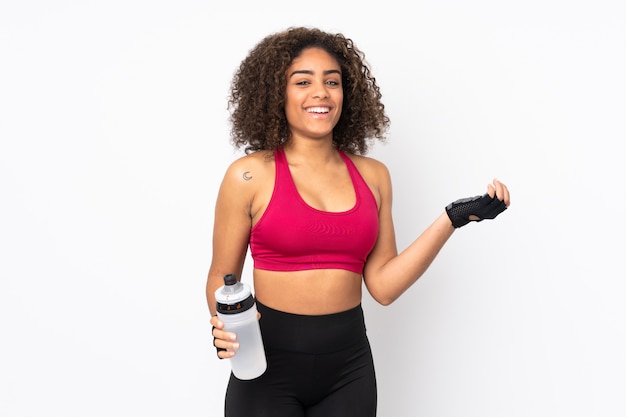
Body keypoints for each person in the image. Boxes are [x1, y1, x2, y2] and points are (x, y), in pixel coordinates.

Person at [206, 26, 510, 417]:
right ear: (277, 93)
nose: (321, 92)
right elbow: (221, 274)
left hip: (348, 370)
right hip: (266, 365)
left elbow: (383, 286)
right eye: (303, 82)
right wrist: (221, 324)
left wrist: (451, 220)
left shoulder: (373, 176)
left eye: (332, 82)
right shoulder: (248, 175)